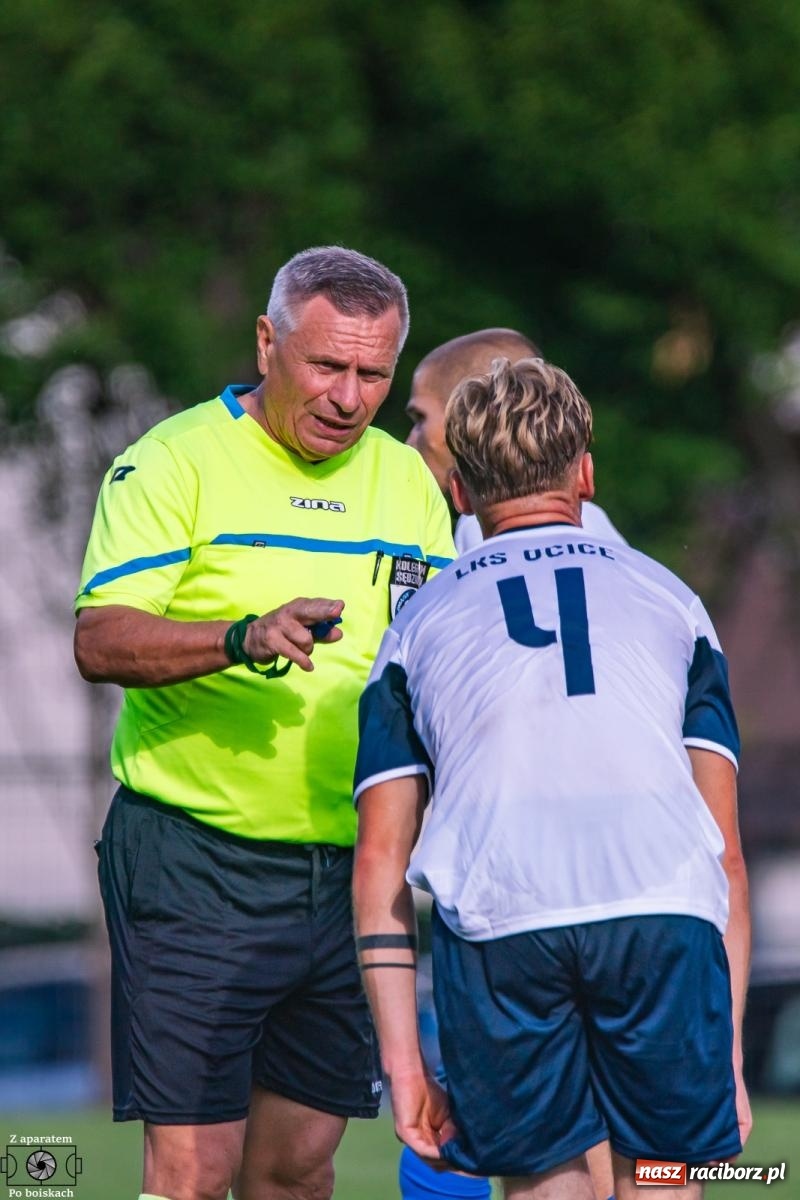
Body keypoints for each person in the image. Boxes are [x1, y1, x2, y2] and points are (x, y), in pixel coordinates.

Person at [73, 245, 455, 1200]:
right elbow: (100, 638)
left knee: (296, 1167)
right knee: (194, 1171)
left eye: (374, 374)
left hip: (352, 873)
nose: (349, 396)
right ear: (267, 341)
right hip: (196, 858)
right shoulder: (171, 461)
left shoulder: (408, 484)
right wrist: (242, 636)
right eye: (327, 365)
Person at [353, 357, 751, 1200]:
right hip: (661, 918)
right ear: (586, 472)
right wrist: (731, 1055)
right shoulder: (670, 598)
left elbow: (380, 860)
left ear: (458, 489)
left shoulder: (415, 625)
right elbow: (726, 854)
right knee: (664, 1181)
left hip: (504, 925)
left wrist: (404, 1067)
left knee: (545, 1190)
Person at [402, 330, 620, 1200]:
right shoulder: (612, 550)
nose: (407, 440)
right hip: (629, 899)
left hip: (510, 905)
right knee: (634, 1159)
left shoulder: (467, 555)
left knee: (529, 1165)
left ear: (475, 417)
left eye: (420, 421)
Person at [406, 329, 624, 554]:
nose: (410, 441)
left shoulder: (487, 526)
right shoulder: (593, 522)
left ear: (472, 408)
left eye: (421, 418)